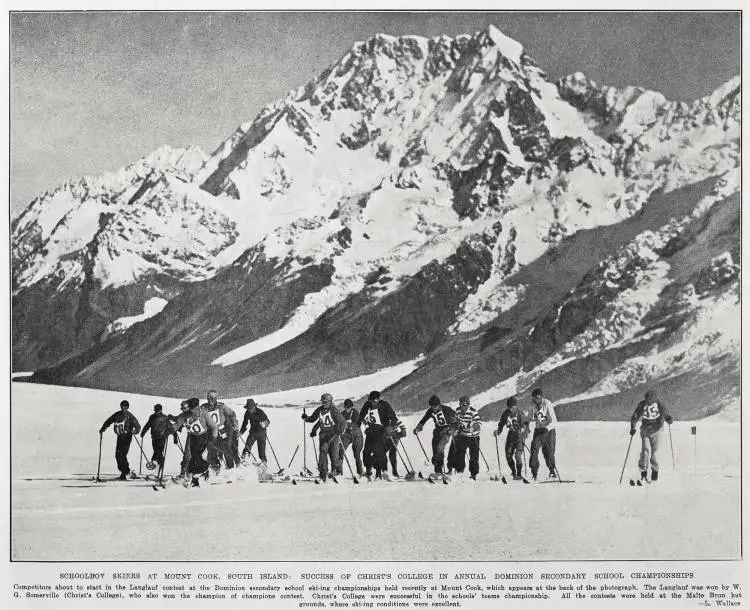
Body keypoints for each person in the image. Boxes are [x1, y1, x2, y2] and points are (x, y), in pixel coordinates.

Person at [170, 397, 219, 487]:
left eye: (194, 408)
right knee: (192, 458)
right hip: (193, 438)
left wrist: (213, 438)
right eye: (191, 408)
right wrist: (172, 428)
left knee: (197, 458)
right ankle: (194, 479)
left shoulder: (203, 412)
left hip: (204, 437)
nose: (193, 410)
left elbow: (214, 426)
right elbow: (178, 423)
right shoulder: (186, 415)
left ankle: (204, 471)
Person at [630, 390, 673, 483]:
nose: (649, 402)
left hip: (657, 430)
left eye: (651, 401)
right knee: (645, 450)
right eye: (647, 400)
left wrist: (668, 418)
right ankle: (643, 472)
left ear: (655, 399)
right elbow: (635, 416)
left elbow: (665, 413)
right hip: (645, 429)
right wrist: (632, 427)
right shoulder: (642, 405)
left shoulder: (660, 404)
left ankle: (654, 473)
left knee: (655, 452)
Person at [301, 394, 346, 481]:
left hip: (333, 435)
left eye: (325, 402)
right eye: (322, 402)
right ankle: (323, 473)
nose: (323, 403)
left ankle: (337, 470)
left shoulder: (334, 410)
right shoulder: (320, 409)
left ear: (330, 402)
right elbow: (314, 419)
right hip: (324, 435)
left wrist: (339, 431)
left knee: (334, 456)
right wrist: (306, 418)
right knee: (322, 452)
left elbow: (343, 422)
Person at [358, 391, 398, 481]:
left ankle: (383, 471)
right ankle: (369, 470)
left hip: (382, 430)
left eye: (375, 401)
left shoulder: (384, 405)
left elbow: (393, 417)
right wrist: (360, 421)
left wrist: (391, 426)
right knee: (366, 451)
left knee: (379, 451)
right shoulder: (367, 405)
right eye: (371, 401)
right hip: (371, 430)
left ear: (379, 399)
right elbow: (361, 415)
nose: (373, 403)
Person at [414, 395, 456, 478]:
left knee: (440, 448)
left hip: (447, 430)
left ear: (439, 405)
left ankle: (449, 469)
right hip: (437, 431)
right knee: (435, 448)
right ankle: (438, 471)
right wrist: (418, 428)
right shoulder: (430, 411)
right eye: (432, 406)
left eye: (435, 406)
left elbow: (455, 420)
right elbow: (423, 420)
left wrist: (451, 430)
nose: (434, 408)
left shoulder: (446, 410)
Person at [99, 400, 142, 480]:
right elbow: (109, 421)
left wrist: (134, 431)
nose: (123, 408)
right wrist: (103, 429)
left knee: (122, 455)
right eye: (122, 406)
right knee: (118, 455)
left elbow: (138, 427)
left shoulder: (130, 416)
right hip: (120, 437)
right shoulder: (117, 414)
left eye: (125, 406)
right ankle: (126, 471)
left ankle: (125, 472)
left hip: (127, 437)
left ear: (127, 407)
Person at [201, 390, 238, 472]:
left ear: (216, 398)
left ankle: (231, 469)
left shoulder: (221, 406)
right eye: (208, 398)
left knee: (226, 450)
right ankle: (216, 469)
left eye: (212, 398)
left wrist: (235, 425)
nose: (210, 400)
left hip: (223, 431)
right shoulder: (204, 408)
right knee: (211, 452)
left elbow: (232, 413)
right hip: (211, 433)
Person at [495, 396, 530, 480]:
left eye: (513, 407)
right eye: (510, 407)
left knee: (518, 456)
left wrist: (523, 430)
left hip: (519, 436)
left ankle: (519, 474)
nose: (512, 409)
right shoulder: (506, 413)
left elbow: (526, 424)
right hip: (511, 435)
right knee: (508, 455)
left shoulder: (520, 414)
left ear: (516, 406)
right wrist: (498, 431)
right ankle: (513, 472)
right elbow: (501, 423)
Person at [529, 388, 557, 480]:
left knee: (549, 452)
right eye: (534, 398)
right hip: (538, 430)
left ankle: (552, 471)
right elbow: (530, 417)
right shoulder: (532, 405)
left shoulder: (547, 404)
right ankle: (534, 473)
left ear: (541, 397)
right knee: (534, 450)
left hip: (549, 431)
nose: (536, 400)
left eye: (537, 398)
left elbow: (554, 421)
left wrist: (547, 428)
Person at [450, 396, 481, 480]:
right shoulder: (458, 411)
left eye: (465, 405)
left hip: (473, 436)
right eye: (461, 405)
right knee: (459, 453)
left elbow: (478, 423)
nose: (463, 407)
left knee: (474, 455)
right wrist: (454, 429)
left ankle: (473, 474)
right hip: (463, 435)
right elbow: (454, 422)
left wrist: (473, 428)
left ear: (468, 405)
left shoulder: (473, 412)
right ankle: (460, 471)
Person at [140, 403, 178, 470]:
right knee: (156, 451)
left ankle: (160, 465)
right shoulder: (152, 417)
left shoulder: (165, 418)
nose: (156, 412)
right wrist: (143, 432)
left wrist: (175, 436)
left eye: (158, 410)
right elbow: (148, 425)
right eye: (155, 411)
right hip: (154, 437)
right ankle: (156, 463)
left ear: (161, 410)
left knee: (159, 451)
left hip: (162, 437)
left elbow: (171, 427)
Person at [239, 398, 270, 465]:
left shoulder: (260, 412)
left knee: (261, 451)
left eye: (251, 408)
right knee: (247, 447)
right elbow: (245, 423)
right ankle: (244, 460)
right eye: (249, 408)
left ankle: (263, 464)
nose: (250, 410)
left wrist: (264, 424)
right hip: (253, 433)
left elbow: (268, 421)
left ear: (254, 407)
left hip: (261, 433)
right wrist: (241, 432)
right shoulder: (247, 413)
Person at [339, 399, 364, 476]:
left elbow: (357, 423)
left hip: (357, 434)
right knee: (340, 450)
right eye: (346, 407)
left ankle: (360, 472)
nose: (347, 409)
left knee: (356, 453)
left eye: (349, 407)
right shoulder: (342, 413)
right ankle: (339, 472)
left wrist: (348, 424)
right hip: (347, 434)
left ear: (351, 407)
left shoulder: (355, 412)